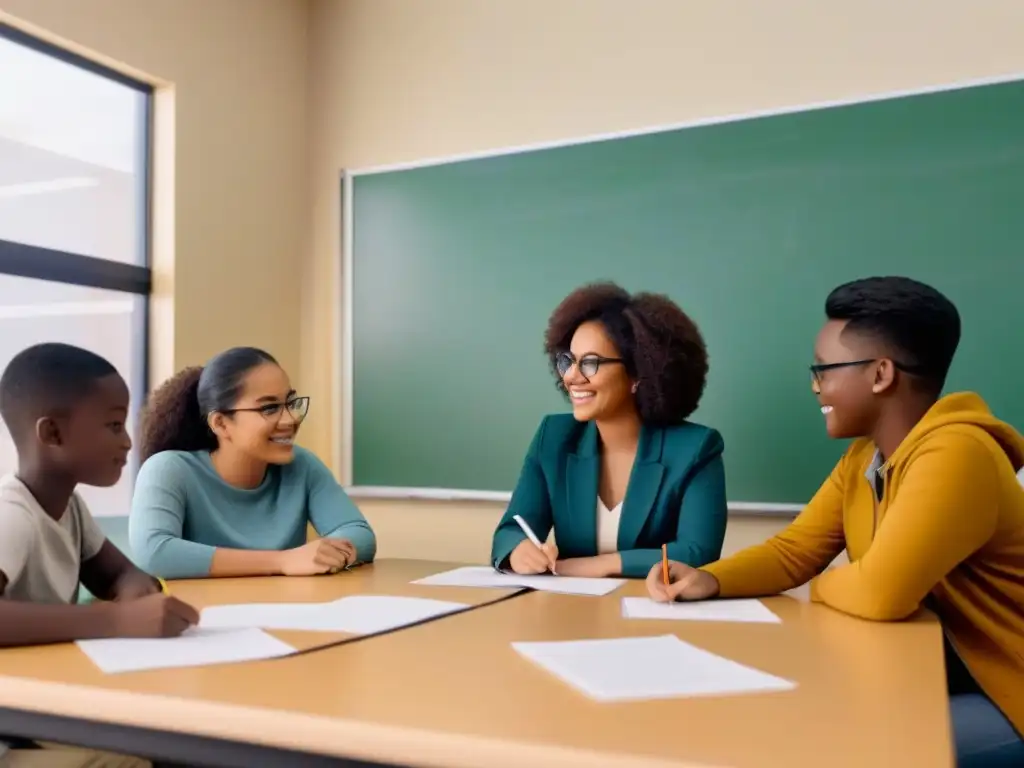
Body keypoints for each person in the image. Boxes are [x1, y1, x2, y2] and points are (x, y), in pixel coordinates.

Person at [647, 276, 1024, 767]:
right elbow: (794, 551)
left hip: (1007, 692)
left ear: (881, 374)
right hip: (942, 671)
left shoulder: (956, 453)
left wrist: (822, 586)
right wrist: (711, 579)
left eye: (824, 369)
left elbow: (880, 595)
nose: (816, 385)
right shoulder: (864, 457)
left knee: (840, 748)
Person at [0, 343, 199, 768]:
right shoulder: (11, 515)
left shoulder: (69, 507)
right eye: (113, 425)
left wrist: (134, 594)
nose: (128, 441)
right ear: (52, 434)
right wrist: (114, 621)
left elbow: (119, 574)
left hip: (42, 708)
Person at [490, 282, 728, 579]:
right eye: (568, 361)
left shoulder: (696, 449)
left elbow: (698, 552)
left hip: (655, 613)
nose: (572, 377)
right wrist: (519, 549)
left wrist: (601, 565)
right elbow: (511, 529)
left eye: (591, 363)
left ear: (638, 374)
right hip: (571, 612)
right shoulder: (553, 437)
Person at [129, 347, 376, 580]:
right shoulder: (169, 469)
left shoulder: (302, 465)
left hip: (285, 611)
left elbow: (359, 534)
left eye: (291, 403)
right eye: (269, 408)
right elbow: (154, 553)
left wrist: (328, 554)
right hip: (205, 616)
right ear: (221, 424)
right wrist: (282, 562)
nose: (290, 419)